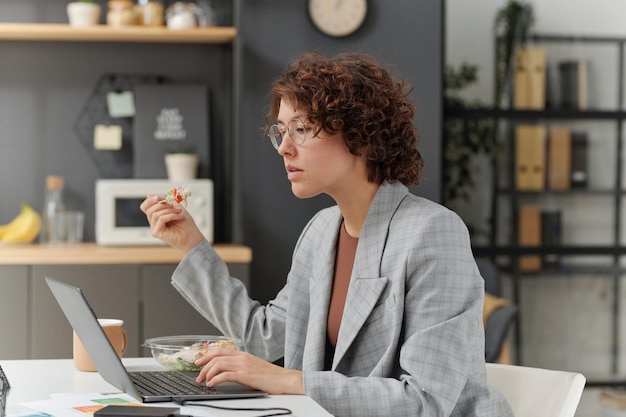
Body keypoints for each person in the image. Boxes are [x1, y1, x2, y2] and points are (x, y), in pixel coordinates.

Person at [140, 51, 513, 417]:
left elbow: (424, 402)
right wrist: (191, 244)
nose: (284, 148)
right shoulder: (321, 231)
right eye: (280, 132)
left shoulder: (433, 233)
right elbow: (263, 336)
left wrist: (288, 381)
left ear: (360, 135)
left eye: (300, 130)